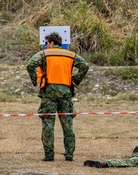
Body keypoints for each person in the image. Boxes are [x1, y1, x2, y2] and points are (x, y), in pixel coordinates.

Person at [26, 32, 90, 162]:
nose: (46, 46)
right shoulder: (70, 55)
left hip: (48, 93)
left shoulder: (44, 54)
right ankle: (69, 154)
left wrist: (36, 82)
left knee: (48, 125)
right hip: (66, 93)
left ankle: (49, 155)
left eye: (46, 43)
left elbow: (30, 65)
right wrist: (75, 80)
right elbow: (85, 66)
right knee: (68, 125)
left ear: (50, 42)